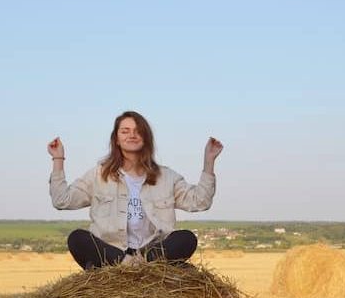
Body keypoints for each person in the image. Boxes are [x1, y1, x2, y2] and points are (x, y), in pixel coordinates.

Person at [47, 111, 223, 270]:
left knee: (186, 238)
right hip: (112, 252)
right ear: (116, 139)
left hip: (151, 252)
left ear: (146, 137)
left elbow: (200, 201)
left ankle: (143, 261)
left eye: (137, 131)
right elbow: (62, 200)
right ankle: (125, 263)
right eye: (125, 131)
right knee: (77, 238)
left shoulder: (166, 177)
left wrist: (209, 161)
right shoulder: (98, 175)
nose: (132, 135)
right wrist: (58, 159)